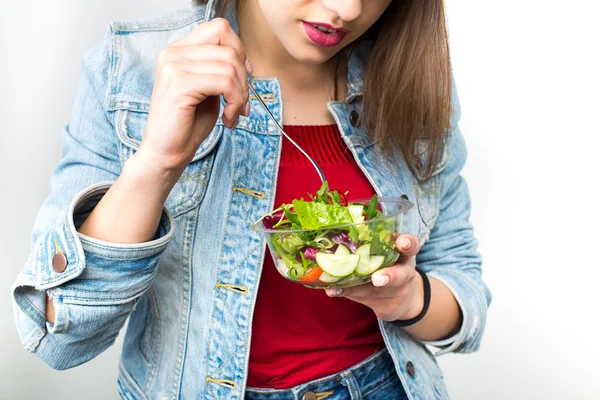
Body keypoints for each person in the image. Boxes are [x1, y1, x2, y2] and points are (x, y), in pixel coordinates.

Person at [11, 0, 492, 398]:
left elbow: (463, 287)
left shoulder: (410, 79)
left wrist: (408, 297)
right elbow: (59, 339)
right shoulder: (130, 70)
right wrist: (158, 161)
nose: (347, 8)